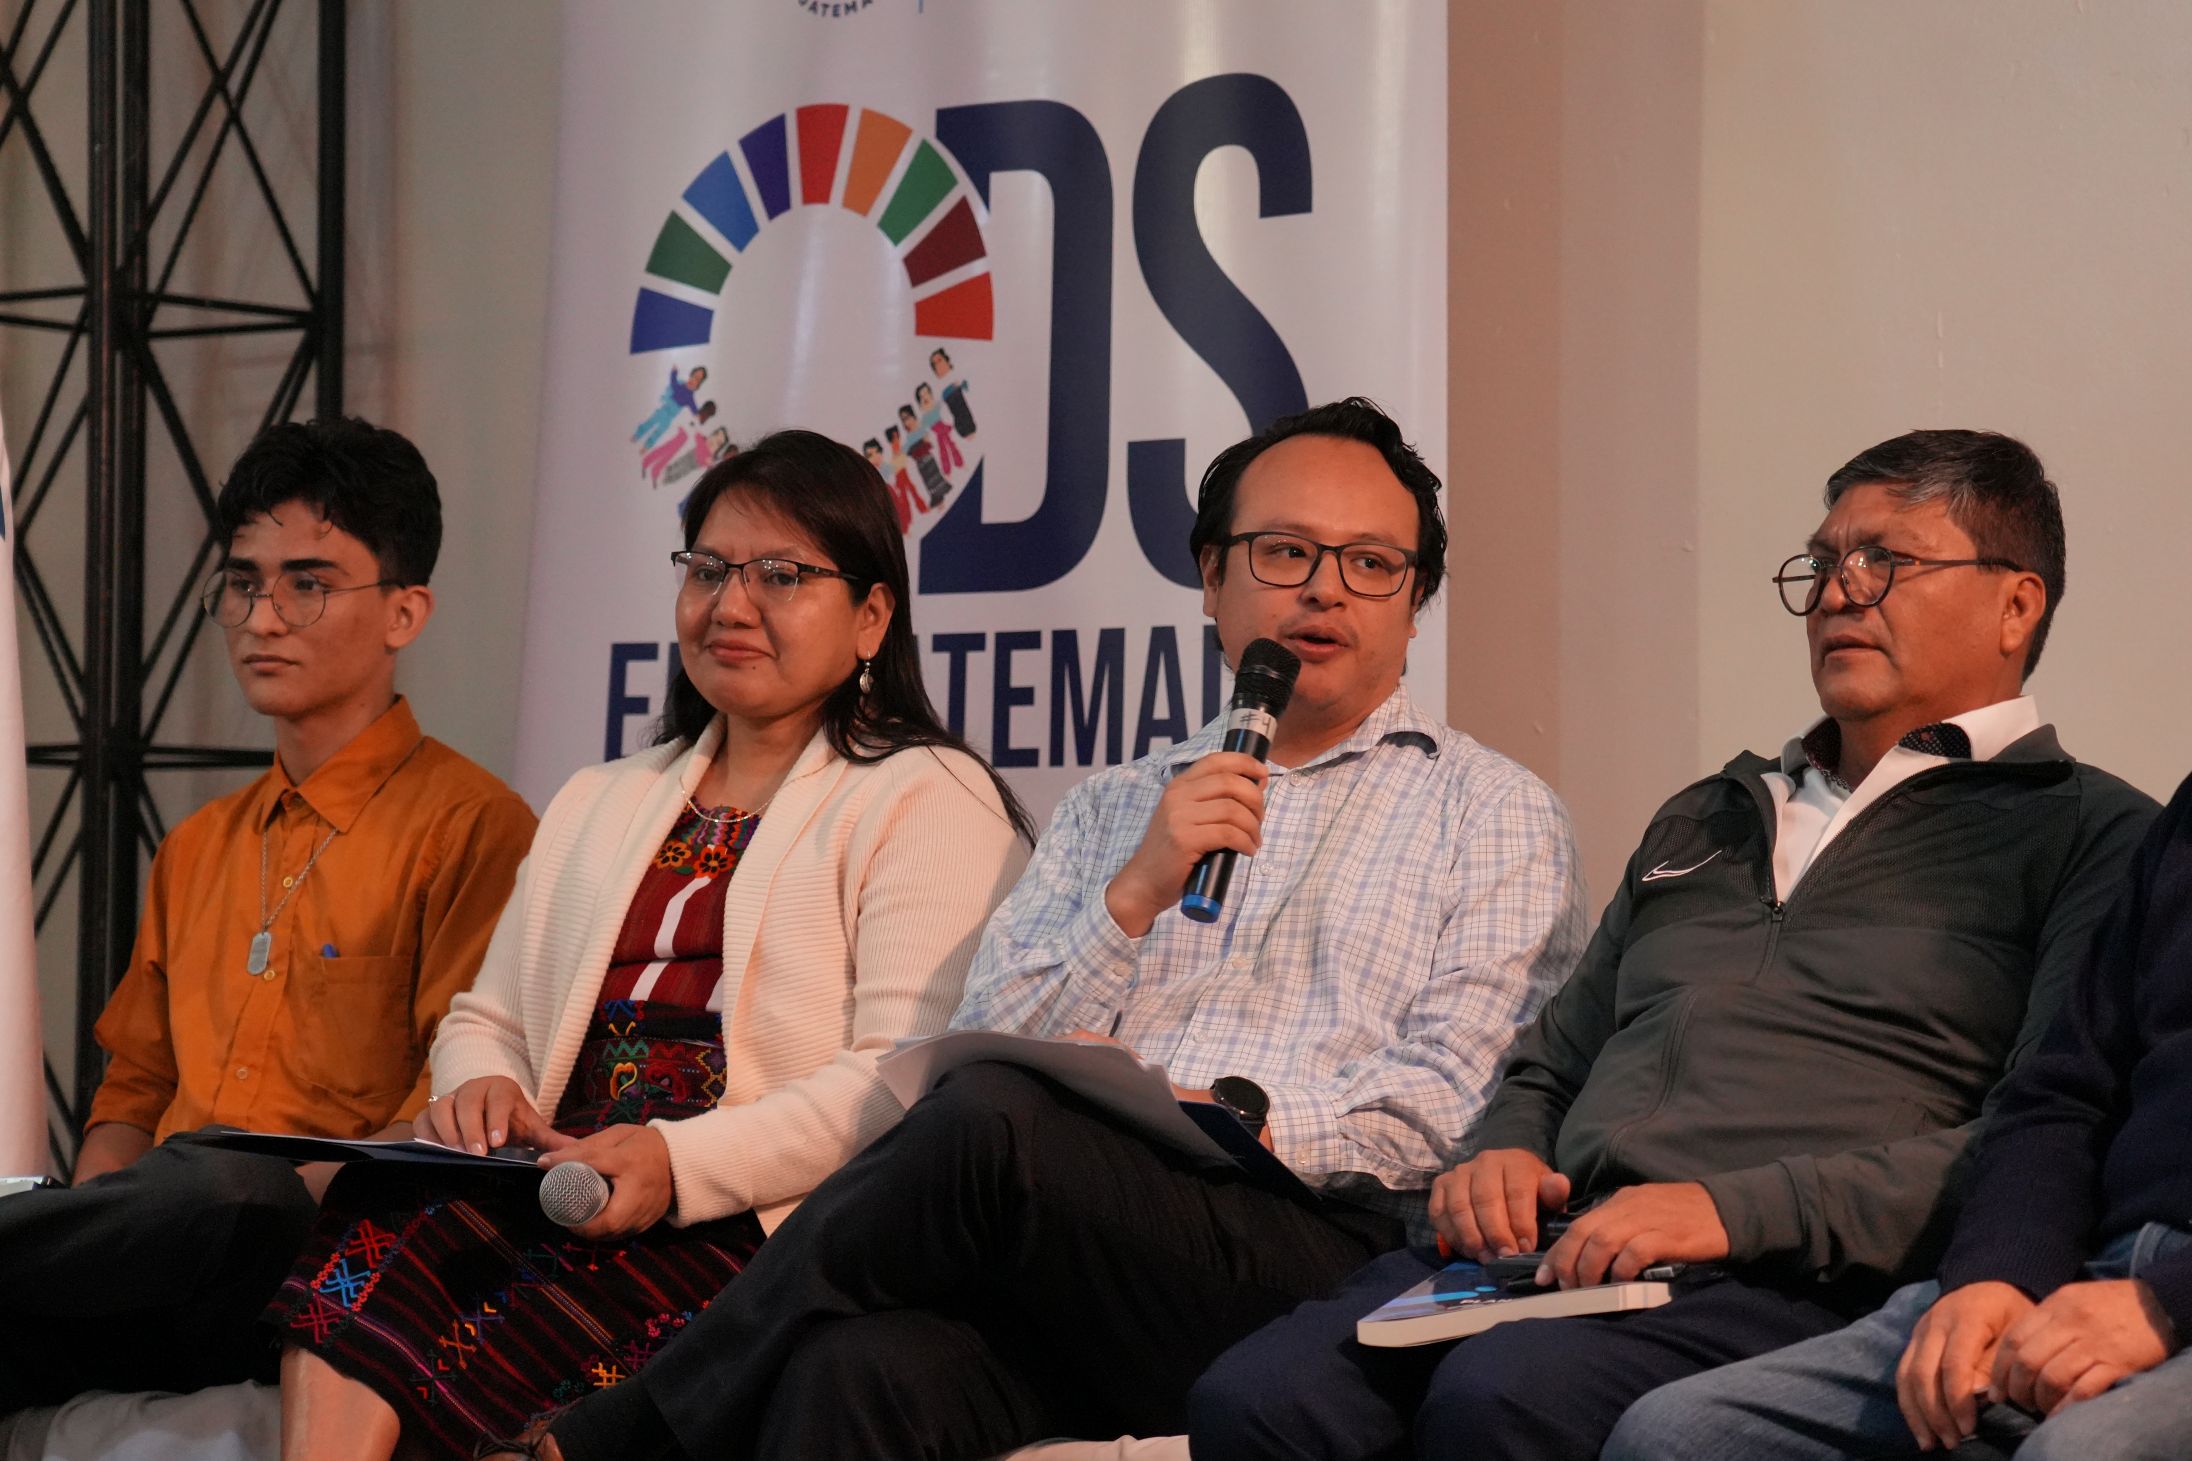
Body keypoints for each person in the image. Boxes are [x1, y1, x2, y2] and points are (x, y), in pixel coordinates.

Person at [511, 396, 1593, 1461]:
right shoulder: (1116, 804)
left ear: (1414, 603)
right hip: (1077, 1258)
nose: (1323, 588)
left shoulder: (1493, 812)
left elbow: (1455, 1108)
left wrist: (1234, 1116)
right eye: (1283, 552)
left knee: (995, 1124)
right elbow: (980, 1045)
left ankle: (617, 1441)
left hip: (1315, 1256)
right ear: (1210, 577)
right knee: (856, 1368)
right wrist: (1132, 896)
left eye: (1370, 564)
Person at [1187, 429, 2160, 1461]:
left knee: (1503, 1397)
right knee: (1255, 1399)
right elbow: (1553, 1059)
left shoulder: (2091, 833)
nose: (1838, 592)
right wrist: (1503, 1149)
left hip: (1793, 1274)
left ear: (2016, 605)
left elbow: (2038, 1135)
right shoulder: (1711, 812)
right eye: (1824, 562)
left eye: (1886, 561)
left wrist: (1725, 1211)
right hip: (1557, 1253)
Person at [266, 430, 1032, 1459]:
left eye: (780, 576)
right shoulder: (602, 796)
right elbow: (486, 1018)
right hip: (559, 1172)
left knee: (528, 1315)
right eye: (708, 570)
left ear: (871, 616)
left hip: (758, 1214)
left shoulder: (927, 794)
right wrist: (484, 1086)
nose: (731, 606)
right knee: (384, 1202)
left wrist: (676, 1161)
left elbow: (899, 1082)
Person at [0, 417, 537, 1408]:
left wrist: (229, 1200)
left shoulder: (472, 827)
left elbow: (446, 1114)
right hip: (164, 1260)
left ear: (405, 612)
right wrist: (109, 1231)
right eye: (243, 583)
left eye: (307, 584)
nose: (262, 619)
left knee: (233, 1185)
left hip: (319, 1257)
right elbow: (131, 1096)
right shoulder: (199, 844)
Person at [1607, 768, 2192, 1461]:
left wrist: (2168, 1301)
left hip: (2164, 1292)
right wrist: (2000, 1271)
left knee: (2080, 1451)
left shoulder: (2087, 820)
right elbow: (2063, 1095)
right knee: (1671, 1433)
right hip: (2091, 1267)